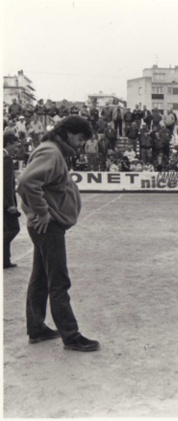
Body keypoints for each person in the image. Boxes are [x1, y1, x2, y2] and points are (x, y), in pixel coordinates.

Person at [16, 115, 100, 352]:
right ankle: (71, 335)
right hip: (48, 228)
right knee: (59, 281)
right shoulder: (52, 152)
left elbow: (37, 185)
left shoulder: (52, 150)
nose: (81, 144)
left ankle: (37, 328)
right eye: (80, 138)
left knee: (41, 278)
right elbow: (25, 183)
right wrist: (42, 212)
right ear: (67, 133)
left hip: (45, 227)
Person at [4, 133, 21, 269]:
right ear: (8, 144)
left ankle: (5, 260)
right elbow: (7, 185)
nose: (17, 147)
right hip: (5, 203)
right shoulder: (6, 159)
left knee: (5, 229)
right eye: (15, 144)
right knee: (13, 228)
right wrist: (10, 205)